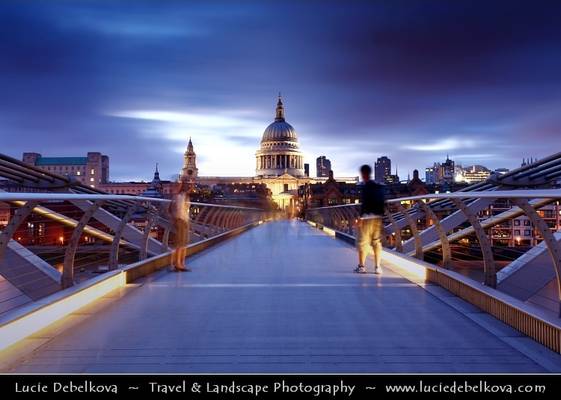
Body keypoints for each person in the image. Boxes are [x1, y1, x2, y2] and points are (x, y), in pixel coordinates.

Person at [354, 164, 385, 274]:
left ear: (363, 174)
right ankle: (377, 267)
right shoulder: (378, 186)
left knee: (363, 242)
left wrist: (360, 218)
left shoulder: (366, 187)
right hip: (378, 217)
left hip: (367, 218)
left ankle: (362, 266)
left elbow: (365, 203)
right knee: (376, 242)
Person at [169, 182, 191, 272]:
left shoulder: (182, 196)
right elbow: (173, 210)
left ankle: (181, 263)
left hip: (184, 220)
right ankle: (178, 264)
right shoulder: (178, 197)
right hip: (180, 220)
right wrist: (176, 219)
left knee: (183, 243)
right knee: (180, 243)